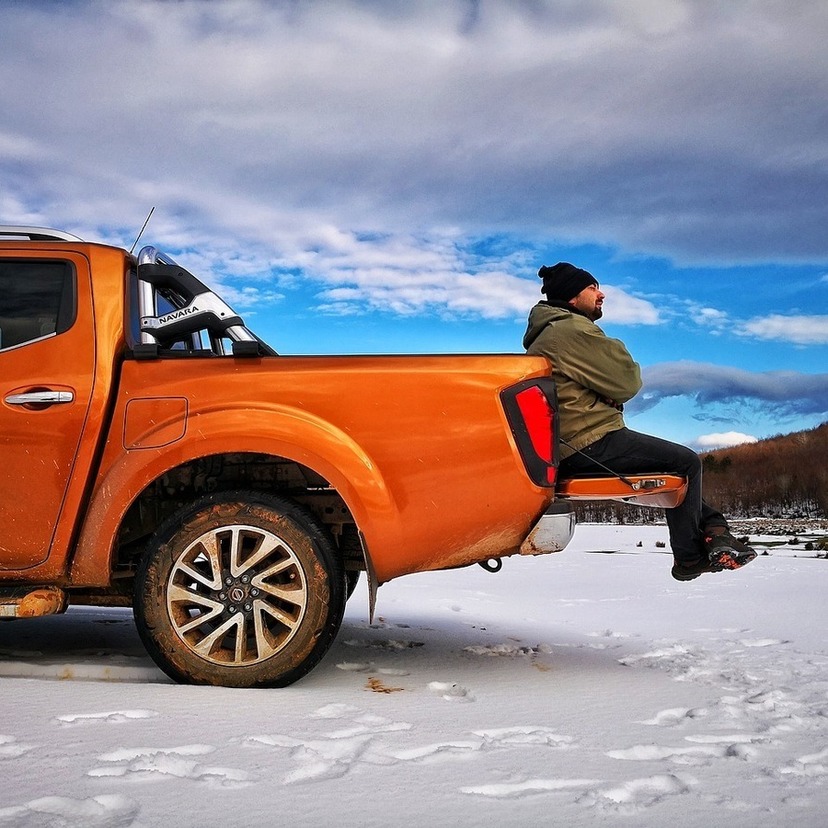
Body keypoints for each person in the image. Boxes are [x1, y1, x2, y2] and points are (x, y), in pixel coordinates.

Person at [523, 262, 756, 581]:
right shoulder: (572, 330)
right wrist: (614, 351)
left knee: (672, 473)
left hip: (570, 443)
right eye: (593, 288)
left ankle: (717, 532)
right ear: (573, 296)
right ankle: (689, 558)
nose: (601, 294)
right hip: (587, 442)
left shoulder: (549, 332)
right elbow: (627, 381)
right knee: (686, 463)